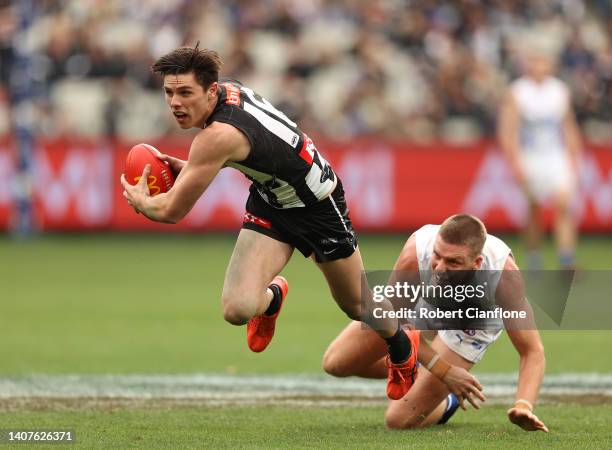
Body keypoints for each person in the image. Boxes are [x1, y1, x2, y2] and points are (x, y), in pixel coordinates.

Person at [121, 44, 442, 400]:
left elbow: (172, 212)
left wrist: (141, 200)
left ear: (211, 90)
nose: (176, 103)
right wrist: (196, 169)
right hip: (272, 201)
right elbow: (251, 147)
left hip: (319, 207)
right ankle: (272, 299)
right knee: (236, 310)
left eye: (185, 92)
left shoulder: (215, 138)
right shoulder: (229, 93)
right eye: (169, 92)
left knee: (356, 304)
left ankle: (401, 345)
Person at [323, 214, 548, 432]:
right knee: (336, 363)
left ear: (477, 263)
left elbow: (532, 351)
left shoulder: (504, 277)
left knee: (399, 421)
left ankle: (444, 398)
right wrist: (444, 370)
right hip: (423, 302)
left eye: (453, 262)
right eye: (437, 255)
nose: (439, 268)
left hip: (472, 321)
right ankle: (422, 368)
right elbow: (393, 322)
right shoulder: (416, 253)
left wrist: (523, 406)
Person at [498, 47, 582, 269]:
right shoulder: (518, 91)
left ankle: (567, 260)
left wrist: (575, 154)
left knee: (564, 204)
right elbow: (509, 129)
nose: (539, 67)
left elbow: (568, 124)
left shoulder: (559, 90)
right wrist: (515, 161)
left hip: (556, 155)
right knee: (534, 208)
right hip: (531, 156)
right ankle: (534, 255)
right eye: (535, 61)